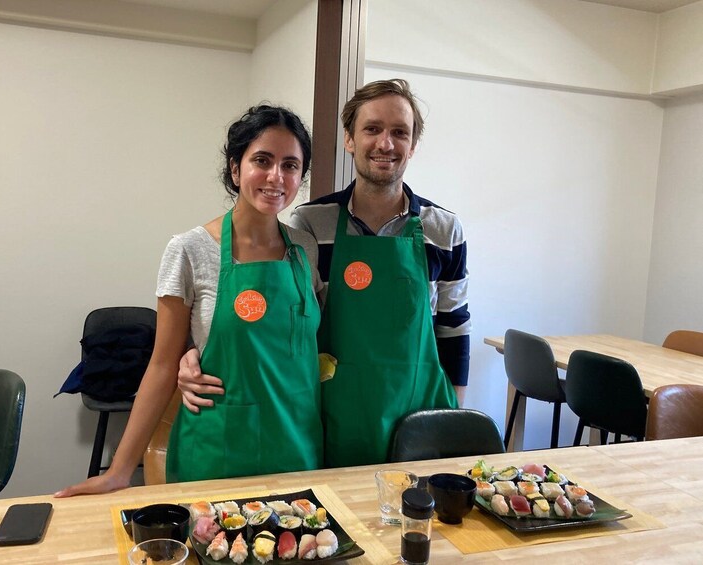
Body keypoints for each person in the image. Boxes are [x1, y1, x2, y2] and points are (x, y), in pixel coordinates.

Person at [179, 79, 471, 469]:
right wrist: (192, 354)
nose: (386, 144)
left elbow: (454, 326)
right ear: (349, 139)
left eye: (399, 132)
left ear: (412, 144)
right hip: (334, 418)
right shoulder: (312, 226)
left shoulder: (444, 230)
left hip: (418, 419)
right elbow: (284, 325)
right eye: (372, 129)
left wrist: (454, 416)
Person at [55, 105, 323, 496]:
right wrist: (120, 470)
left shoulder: (305, 248)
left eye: (290, 165)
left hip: (299, 450)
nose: (276, 177)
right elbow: (162, 365)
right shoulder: (190, 250)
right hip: (219, 452)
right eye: (261, 160)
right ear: (236, 169)